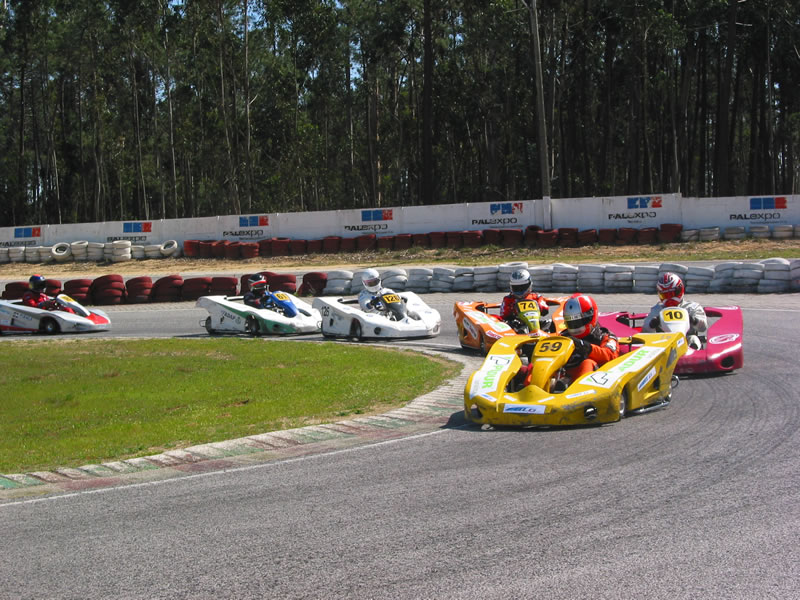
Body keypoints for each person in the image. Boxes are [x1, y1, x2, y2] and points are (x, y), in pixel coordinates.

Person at [561, 293, 619, 382]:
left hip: (596, 380)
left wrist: (586, 347)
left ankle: (579, 389)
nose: (575, 326)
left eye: (579, 321)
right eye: (571, 322)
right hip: (564, 375)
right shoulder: (564, 336)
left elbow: (610, 355)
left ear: (591, 316)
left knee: (587, 363)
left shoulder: (604, 335)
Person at [641, 272, 707, 349]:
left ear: (680, 290)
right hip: (663, 343)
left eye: (672, 294)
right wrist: (653, 323)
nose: (669, 299)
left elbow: (703, 327)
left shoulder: (691, 307)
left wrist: (692, 320)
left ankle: (694, 357)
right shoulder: (657, 309)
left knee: (694, 339)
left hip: (686, 341)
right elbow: (645, 331)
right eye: (665, 295)